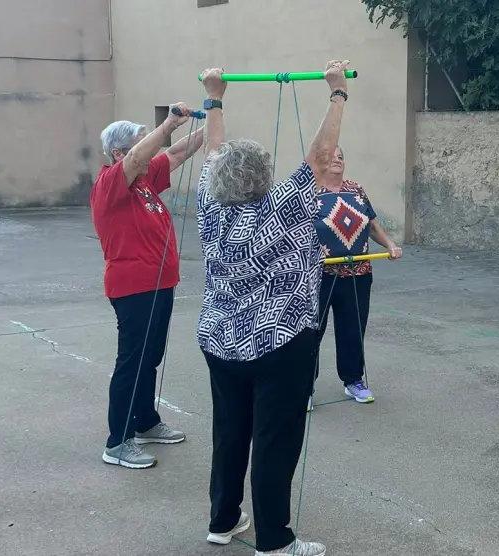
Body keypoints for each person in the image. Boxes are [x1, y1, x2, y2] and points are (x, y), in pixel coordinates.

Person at [194, 61, 351, 556]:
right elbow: (321, 154)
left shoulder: (210, 204)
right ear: (263, 177)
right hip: (279, 344)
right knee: (274, 441)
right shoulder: (278, 206)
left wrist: (214, 98)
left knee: (230, 432)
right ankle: (275, 542)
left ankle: (223, 521)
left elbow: (215, 153)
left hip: (221, 342)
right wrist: (338, 93)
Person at [90, 103, 205, 469]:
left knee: (149, 358)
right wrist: (170, 122)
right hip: (133, 287)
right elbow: (148, 152)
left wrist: (213, 117)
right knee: (131, 362)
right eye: (140, 144)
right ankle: (117, 441)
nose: (148, 148)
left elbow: (175, 153)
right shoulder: (111, 183)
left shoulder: (143, 182)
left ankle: (145, 422)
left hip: (160, 284)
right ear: (121, 153)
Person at [310, 145, 402, 410]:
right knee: (311, 330)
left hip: (358, 273)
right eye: (332, 156)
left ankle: (353, 381)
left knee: (353, 328)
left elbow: (371, 225)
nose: (338, 159)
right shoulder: (310, 192)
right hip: (319, 274)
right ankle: (303, 386)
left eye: (341, 156)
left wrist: (390, 245)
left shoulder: (356, 190)